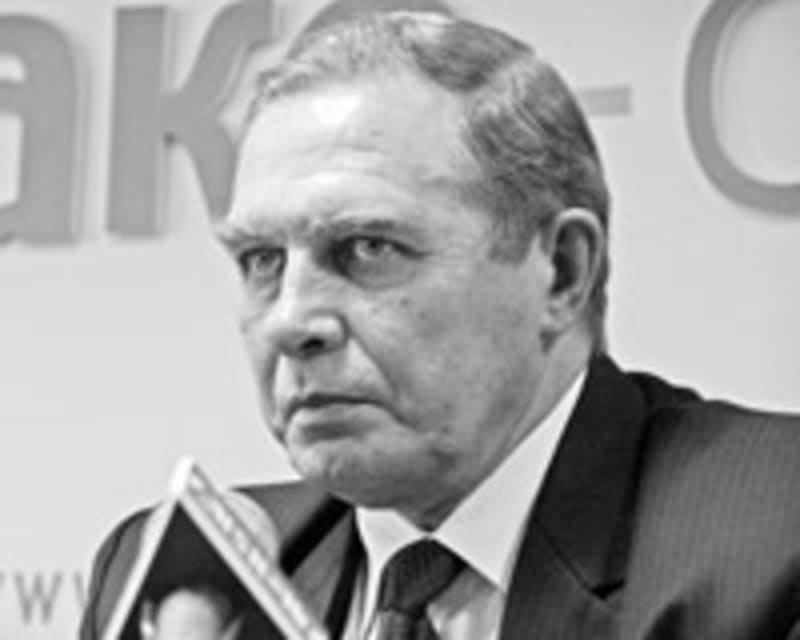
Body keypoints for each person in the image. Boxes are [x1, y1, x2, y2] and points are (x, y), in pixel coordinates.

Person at [80, 11, 800, 640]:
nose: (291, 321)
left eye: (368, 248)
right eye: (262, 260)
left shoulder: (776, 531)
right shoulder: (189, 591)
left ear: (561, 272)